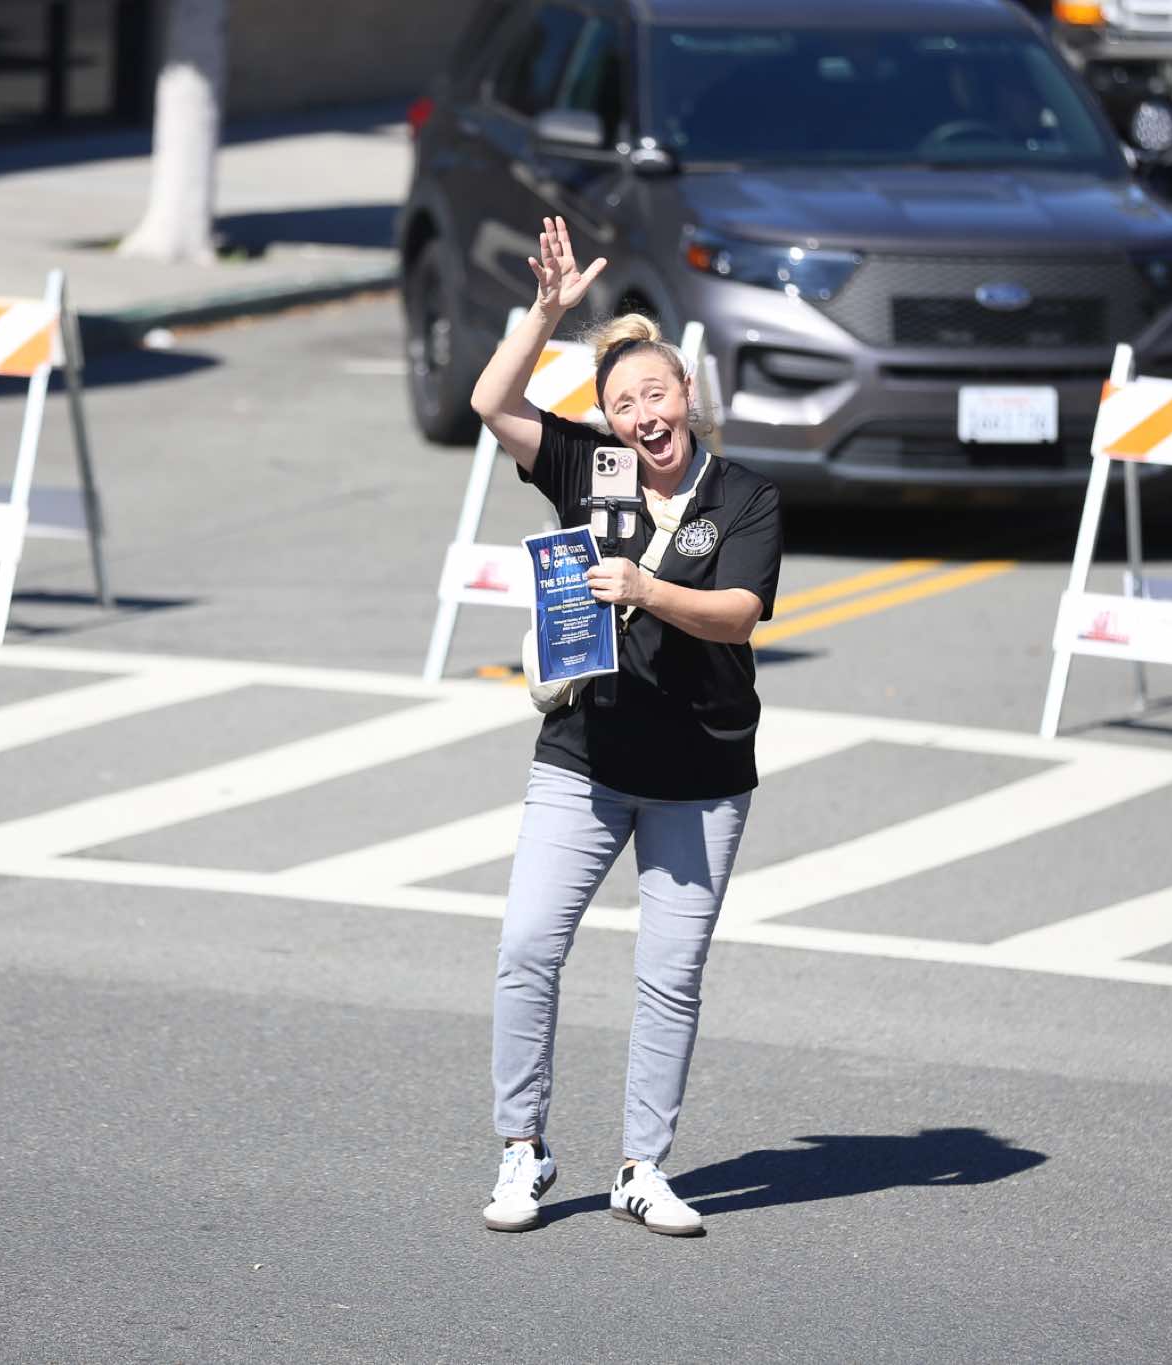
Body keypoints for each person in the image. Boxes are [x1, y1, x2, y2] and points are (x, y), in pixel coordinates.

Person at [468, 217, 783, 1237]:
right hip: (587, 754)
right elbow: (490, 404)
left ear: (687, 392)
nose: (643, 417)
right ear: (606, 416)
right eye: (622, 404)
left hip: (702, 768)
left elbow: (737, 614)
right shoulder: (588, 468)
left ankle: (643, 1167)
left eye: (657, 395)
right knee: (527, 945)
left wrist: (646, 589)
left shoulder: (743, 497)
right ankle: (522, 1149)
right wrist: (545, 312)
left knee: (669, 979)